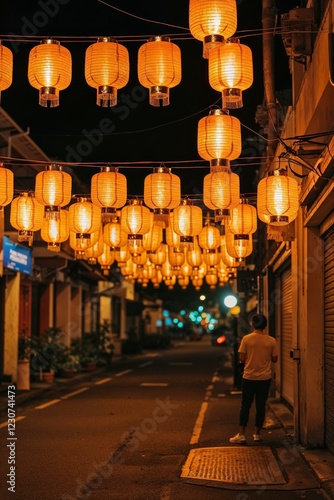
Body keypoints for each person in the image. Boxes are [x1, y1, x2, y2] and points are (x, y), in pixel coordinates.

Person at [229, 313, 278, 443]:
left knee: (245, 405)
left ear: (252, 324)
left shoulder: (246, 339)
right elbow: (275, 359)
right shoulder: (271, 340)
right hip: (265, 378)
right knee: (261, 406)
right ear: (265, 325)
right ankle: (257, 434)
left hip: (249, 377)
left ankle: (242, 434)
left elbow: (241, 358)